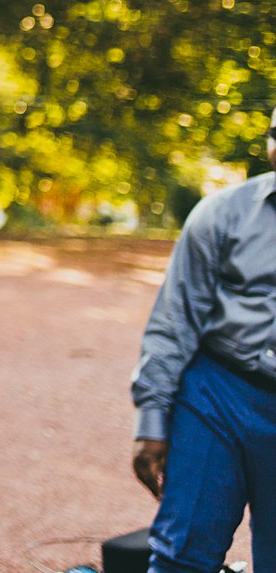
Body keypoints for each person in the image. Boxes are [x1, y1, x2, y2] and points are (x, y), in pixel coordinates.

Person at [130, 108, 276, 573]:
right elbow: (174, 320)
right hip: (218, 395)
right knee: (182, 554)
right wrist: (151, 420)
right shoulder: (222, 214)